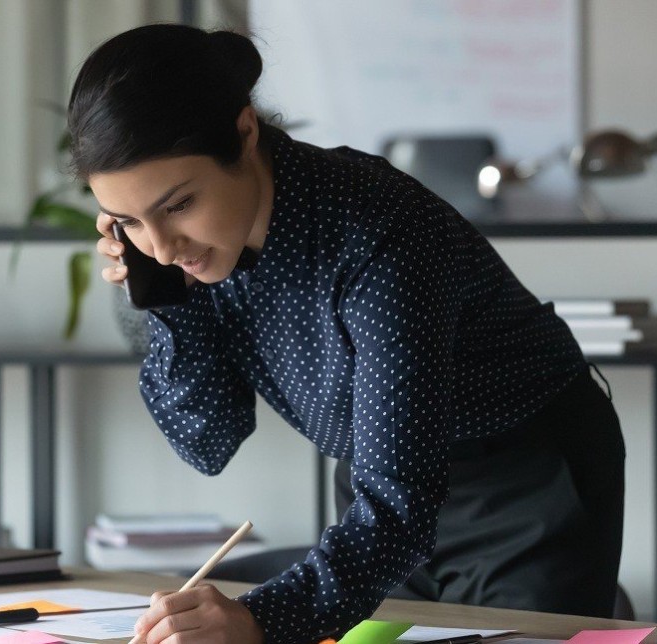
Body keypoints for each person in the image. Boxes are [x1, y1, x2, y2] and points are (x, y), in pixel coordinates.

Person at [70, 23, 626, 644]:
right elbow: (207, 439)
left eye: (177, 206)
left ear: (245, 132)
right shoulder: (188, 257)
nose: (163, 246)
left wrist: (258, 620)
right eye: (129, 222)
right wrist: (163, 299)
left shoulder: (378, 231)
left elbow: (400, 506)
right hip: (381, 497)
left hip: (523, 480)